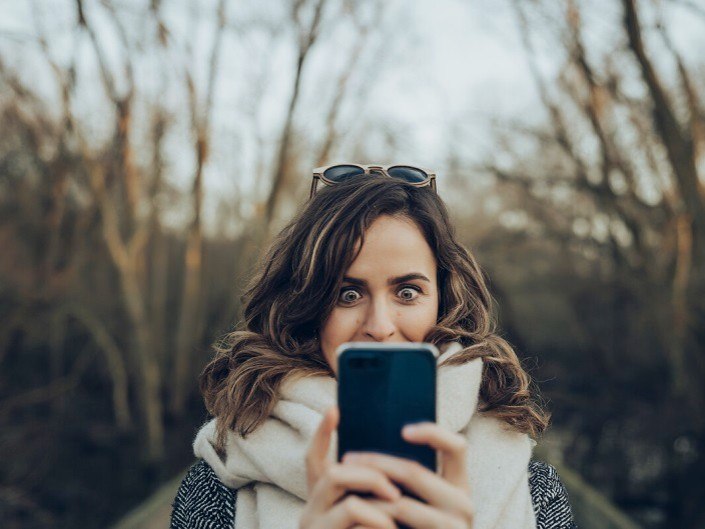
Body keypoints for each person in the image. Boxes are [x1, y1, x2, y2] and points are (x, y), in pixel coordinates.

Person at [170, 165, 577, 529]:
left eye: (407, 291)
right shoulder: (217, 489)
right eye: (347, 294)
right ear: (306, 306)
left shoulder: (533, 491)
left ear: (444, 300)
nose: (379, 327)